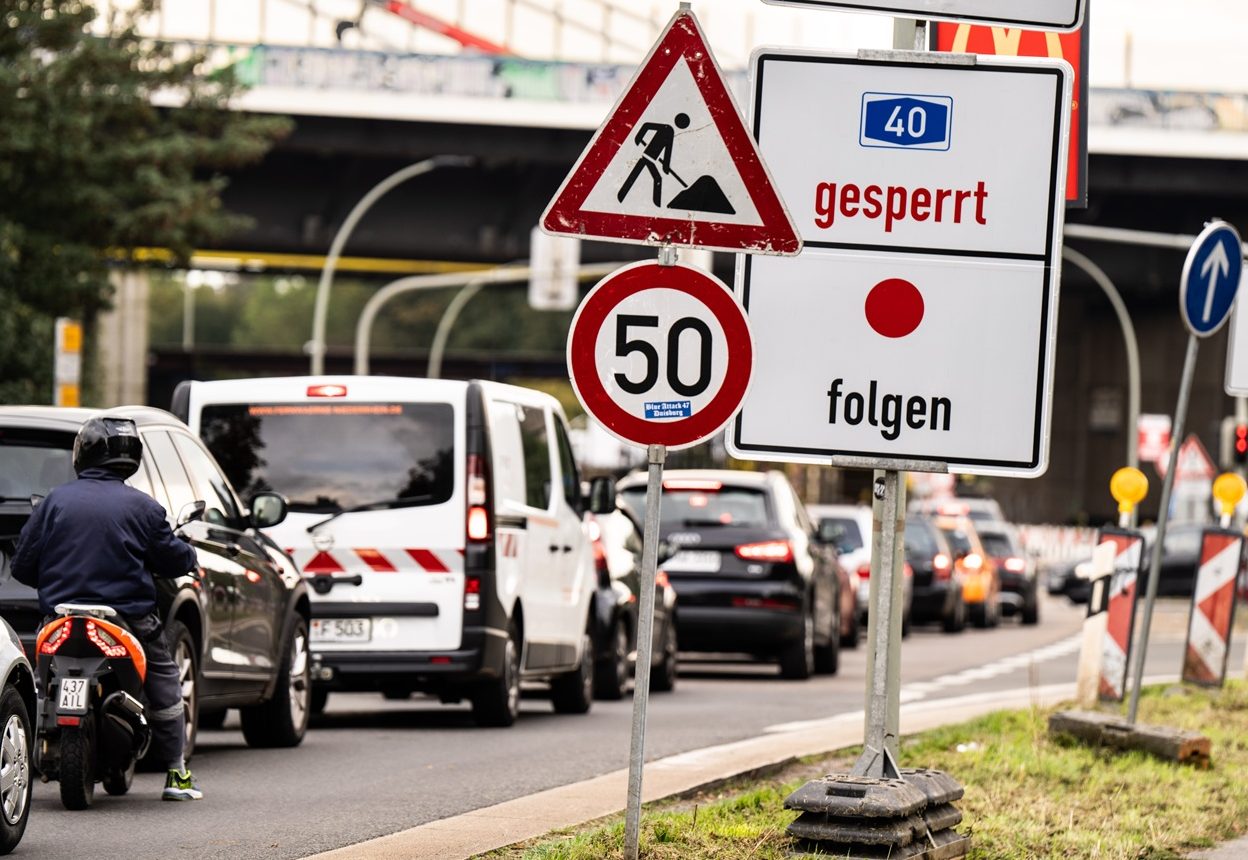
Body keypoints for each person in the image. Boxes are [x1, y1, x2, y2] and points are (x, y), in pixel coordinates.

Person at [11, 416, 203, 801]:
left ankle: (23, 761)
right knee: (166, 682)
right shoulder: (145, 508)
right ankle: (177, 775)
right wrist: (189, 555)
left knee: (32, 682)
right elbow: (172, 559)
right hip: (127, 620)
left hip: (61, 618)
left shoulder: (53, 503)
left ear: (82, 454)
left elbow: (22, 565)